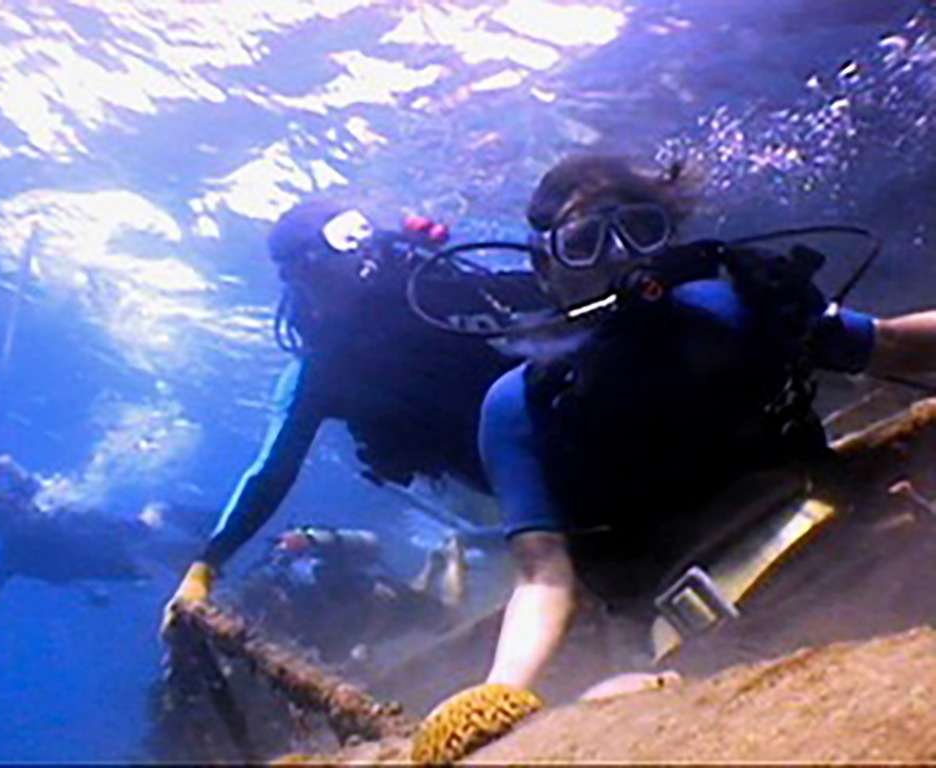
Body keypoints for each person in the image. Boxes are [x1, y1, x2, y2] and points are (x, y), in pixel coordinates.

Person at [464, 152, 936, 701]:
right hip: (699, 646)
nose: (618, 257)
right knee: (611, 700)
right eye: (585, 240)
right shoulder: (521, 406)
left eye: (639, 229)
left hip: (858, 548)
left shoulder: (744, 303)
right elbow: (542, 576)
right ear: (545, 266)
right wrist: (499, 691)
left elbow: (895, 343)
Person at [164, 201, 542, 624]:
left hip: (549, 433)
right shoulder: (322, 370)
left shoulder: (432, 287)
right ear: (307, 270)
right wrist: (207, 564)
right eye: (344, 239)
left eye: (360, 231)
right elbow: (272, 470)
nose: (363, 250)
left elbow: (553, 296)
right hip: (499, 472)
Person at [0, 454, 153, 608]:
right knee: (144, 562)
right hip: (98, 561)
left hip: (101, 541)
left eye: (13, 514)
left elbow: (7, 464)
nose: (15, 522)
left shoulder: (29, 513)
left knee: (146, 532)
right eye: (5, 522)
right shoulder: (10, 557)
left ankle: (154, 522)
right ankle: (95, 586)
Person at [239, 525, 465, 661]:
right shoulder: (289, 615)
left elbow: (377, 596)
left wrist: (360, 642)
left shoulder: (309, 581)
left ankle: (456, 555)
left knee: (449, 616)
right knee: (415, 601)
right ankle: (434, 564)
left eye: (273, 606)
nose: (277, 612)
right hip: (381, 618)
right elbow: (329, 648)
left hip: (385, 608)